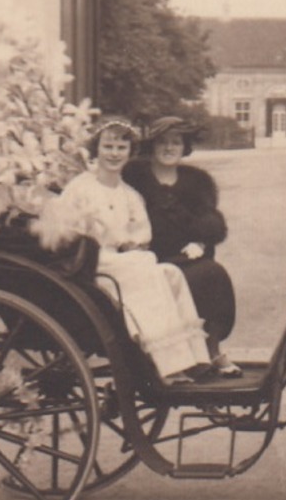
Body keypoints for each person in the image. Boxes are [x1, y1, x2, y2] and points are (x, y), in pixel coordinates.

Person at [49, 117, 212, 384]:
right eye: (108, 147)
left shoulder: (130, 195)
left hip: (122, 264)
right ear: (97, 150)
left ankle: (194, 358)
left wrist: (131, 245)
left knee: (170, 272)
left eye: (121, 148)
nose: (114, 154)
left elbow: (141, 237)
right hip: (89, 265)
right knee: (142, 265)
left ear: (131, 152)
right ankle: (170, 364)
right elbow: (63, 234)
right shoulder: (81, 188)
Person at [124, 116, 241, 378]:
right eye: (163, 142)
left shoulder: (197, 181)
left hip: (185, 256)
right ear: (152, 146)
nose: (169, 148)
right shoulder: (134, 176)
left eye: (175, 142)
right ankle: (172, 357)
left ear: (184, 147)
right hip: (147, 257)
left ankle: (211, 349)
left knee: (212, 274)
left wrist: (200, 240)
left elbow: (210, 218)